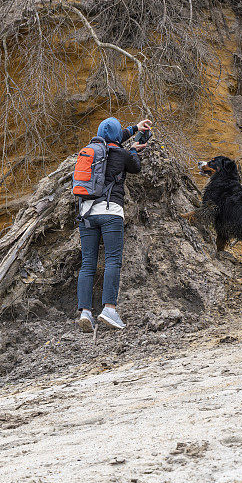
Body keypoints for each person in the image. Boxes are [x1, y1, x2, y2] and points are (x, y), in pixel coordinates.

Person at [76, 116, 152, 332]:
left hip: (86, 214)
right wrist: (135, 149)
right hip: (111, 213)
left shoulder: (89, 151)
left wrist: (134, 128)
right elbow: (135, 167)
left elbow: (114, 138)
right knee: (112, 261)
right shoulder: (122, 154)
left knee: (88, 263)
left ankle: (85, 313)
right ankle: (109, 310)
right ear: (119, 137)